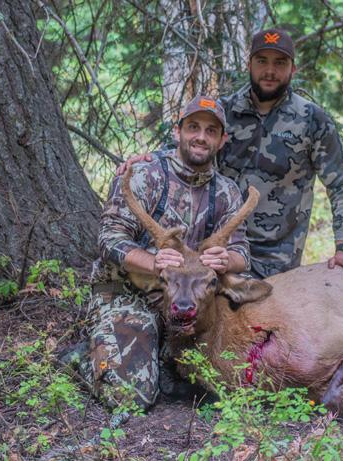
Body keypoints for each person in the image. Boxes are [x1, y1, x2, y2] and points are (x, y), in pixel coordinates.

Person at [121, 28, 343, 281]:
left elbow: (342, 186)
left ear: (293, 69)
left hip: (276, 263)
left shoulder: (312, 120)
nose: (270, 71)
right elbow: (185, 153)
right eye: (262, 61)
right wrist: (148, 160)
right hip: (215, 253)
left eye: (280, 63)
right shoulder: (224, 112)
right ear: (249, 64)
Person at [76, 95, 250, 412]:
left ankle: (160, 353)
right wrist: (152, 262)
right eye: (193, 127)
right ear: (177, 131)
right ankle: (83, 358)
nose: (201, 136)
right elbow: (108, 239)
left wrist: (227, 260)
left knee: (223, 375)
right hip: (129, 294)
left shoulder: (226, 191)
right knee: (133, 398)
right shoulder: (145, 175)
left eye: (211, 131)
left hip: (190, 300)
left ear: (222, 140)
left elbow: (241, 252)